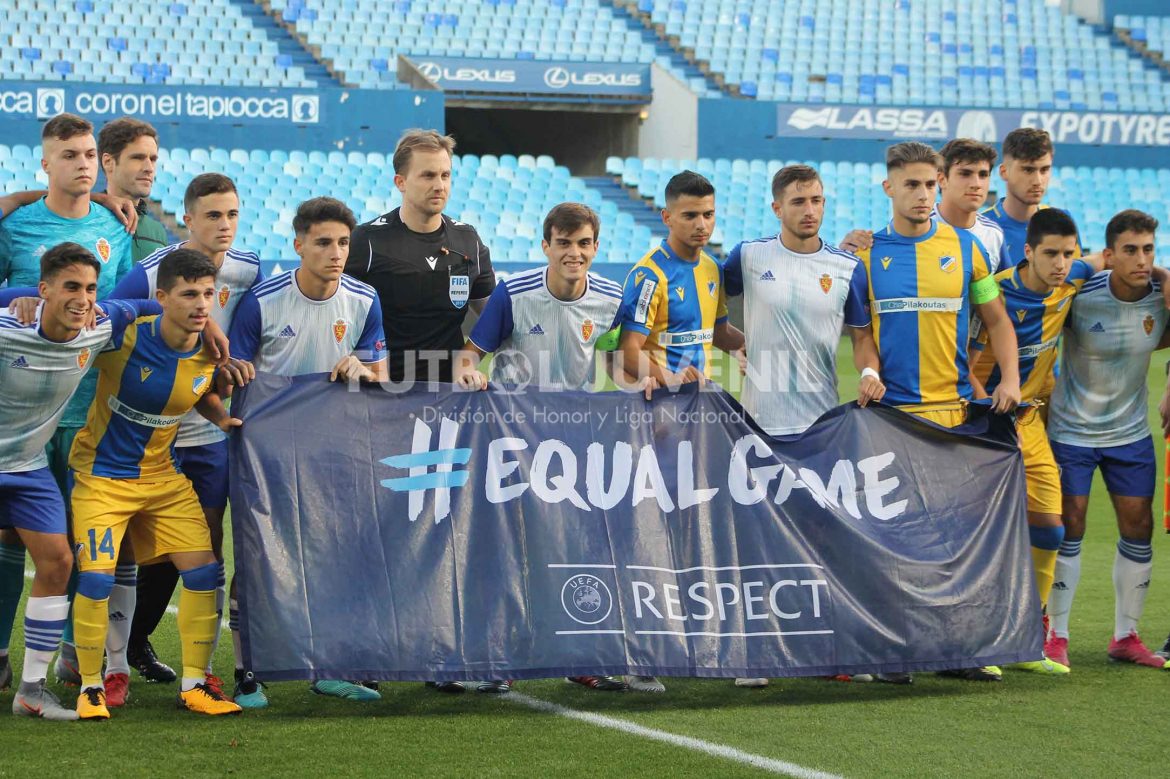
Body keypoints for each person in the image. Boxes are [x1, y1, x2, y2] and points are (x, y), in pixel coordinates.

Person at [854, 141, 1020, 685]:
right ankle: (894, 653)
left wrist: (1010, 380)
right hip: (894, 418)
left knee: (955, 540)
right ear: (889, 188)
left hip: (954, 415)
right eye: (912, 184)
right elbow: (862, 337)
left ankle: (958, 650)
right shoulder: (865, 257)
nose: (923, 195)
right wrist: (869, 371)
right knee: (895, 540)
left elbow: (996, 319)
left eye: (930, 184)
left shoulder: (968, 248)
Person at [453, 203, 633, 693]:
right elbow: (471, 354)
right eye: (564, 243)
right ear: (546, 246)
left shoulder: (612, 299)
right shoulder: (515, 293)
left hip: (575, 444)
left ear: (596, 247)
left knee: (576, 548)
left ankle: (581, 656)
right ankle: (499, 660)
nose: (574, 253)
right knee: (509, 550)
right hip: (511, 441)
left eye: (583, 243)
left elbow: (615, 364)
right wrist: (469, 373)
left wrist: (643, 390)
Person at [67, 247, 248, 718]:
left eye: (207, 294)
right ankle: (91, 686)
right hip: (102, 477)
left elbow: (197, 389)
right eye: (189, 294)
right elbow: (79, 322)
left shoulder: (209, 352)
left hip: (163, 478)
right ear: (162, 297)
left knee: (204, 570)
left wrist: (222, 418)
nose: (202, 305)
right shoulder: (122, 336)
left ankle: (195, 685)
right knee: (96, 577)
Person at [111, 173, 263, 704]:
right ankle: (110, 651)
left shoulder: (248, 268)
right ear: (189, 218)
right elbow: (112, 315)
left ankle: (182, 660)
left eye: (232, 214)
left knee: (205, 545)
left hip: (209, 428)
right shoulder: (153, 270)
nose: (224, 225)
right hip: (152, 428)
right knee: (134, 546)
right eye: (213, 215)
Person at [228, 197, 388, 703]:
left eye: (343, 243)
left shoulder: (364, 299)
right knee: (258, 557)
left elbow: (380, 369)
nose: (335, 253)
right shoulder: (263, 301)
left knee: (334, 554)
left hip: (337, 450)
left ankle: (328, 667)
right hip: (269, 452)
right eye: (323, 243)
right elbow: (234, 373)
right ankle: (247, 671)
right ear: (299, 245)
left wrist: (365, 369)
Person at [0, 113, 134, 688]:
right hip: (23, 417)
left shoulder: (115, 225)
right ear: (46, 163)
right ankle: (1, 655)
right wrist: (22, 296)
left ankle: (77, 654)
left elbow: (122, 306)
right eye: (69, 155)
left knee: (84, 537)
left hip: (90, 413)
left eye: (88, 155)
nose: (82, 164)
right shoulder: (16, 225)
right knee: (11, 538)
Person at [0, 243, 161, 720]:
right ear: (44, 290)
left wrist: (211, 328)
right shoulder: (8, 328)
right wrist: (13, 295)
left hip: (27, 468)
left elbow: (150, 304)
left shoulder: (100, 324)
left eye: (90, 289)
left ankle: (31, 692)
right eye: (71, 287)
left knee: (58, 562)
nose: (84, 299)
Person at [615, 170, 745, 693]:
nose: (701, 224)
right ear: (667, 216)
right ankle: (639, 654)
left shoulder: (712, 269)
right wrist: (670, 378)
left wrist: (756, 342)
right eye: (690, 215)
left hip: (700, 420)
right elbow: (626, 353)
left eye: (708, 214)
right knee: (653, 533)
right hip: (656, 422)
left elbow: (718, 332)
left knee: (699, 528)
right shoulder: (650, 275)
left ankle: (701, 642)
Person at [969, 209, 1115, 676]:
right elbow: (965, 365)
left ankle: (1029, 635)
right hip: (984, 427)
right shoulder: (992, 292)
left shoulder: (1071, 279)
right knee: (981, 535)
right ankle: (975, 641)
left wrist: (1162, 274)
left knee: (1051, 529)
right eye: (1051, 253)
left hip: (1029, 423)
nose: (1060, 263)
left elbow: (1106, 258)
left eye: (1067, 254)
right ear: (1028, 252)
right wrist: (985, 410)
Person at [1046, 210, 1170, 670]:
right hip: (1071, 432)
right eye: (1130, 250)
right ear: (1110, 254)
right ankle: (1056, 635)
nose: (1141, 259)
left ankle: (1125, 637)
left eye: (1148, 250)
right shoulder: (1081, 295)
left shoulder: (1161, 299)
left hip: (1130, 434)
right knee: (1070, 525)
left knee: (1139, 526)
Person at [344, 129, 494, 386]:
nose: (439, 186)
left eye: (445, 175)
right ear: (400, 182)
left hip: (448, 393)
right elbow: (333, 315)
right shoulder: (366, 241)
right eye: (428, 175)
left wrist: (468, 361)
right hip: (380, 392)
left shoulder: (468, 240)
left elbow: (495, 318)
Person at [983, 127, 1083, 268]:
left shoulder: (1063, 221)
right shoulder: (982, 228)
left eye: (1044, 170)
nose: (1038, 181)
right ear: (1004, 172)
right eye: (1028, 170)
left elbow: (1074, 277)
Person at [97, 117, 168, 263]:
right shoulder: (85, 218)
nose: (149, 168)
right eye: (138, 158)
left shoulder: (157, 231)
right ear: (108, 162)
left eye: (153, 159)